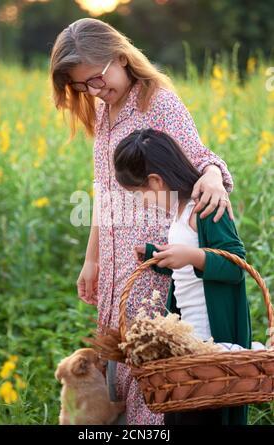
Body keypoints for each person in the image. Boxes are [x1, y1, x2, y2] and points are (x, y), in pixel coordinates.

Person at [50, 17, 234, 425]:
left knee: (149, 377)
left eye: (98, 79)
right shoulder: (104, 112)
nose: (95, 91)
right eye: (84, 86)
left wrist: (212, 176)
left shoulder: (158, 102)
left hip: (153, 265)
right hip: (116, 270)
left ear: (119, 57)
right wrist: (92, 259)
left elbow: (200, 158)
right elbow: (103, 190)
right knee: (118, 370)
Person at [113, 127, 252, 425]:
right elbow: (190, 270)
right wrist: (158, 257)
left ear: (156, 181)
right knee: (179, 414)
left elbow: (236, 265)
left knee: (207, 416)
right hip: (188, 344)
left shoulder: (205, 207)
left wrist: (189, 256)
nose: (143, 202)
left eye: (140, 194)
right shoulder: (178, 213)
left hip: (214, 344)